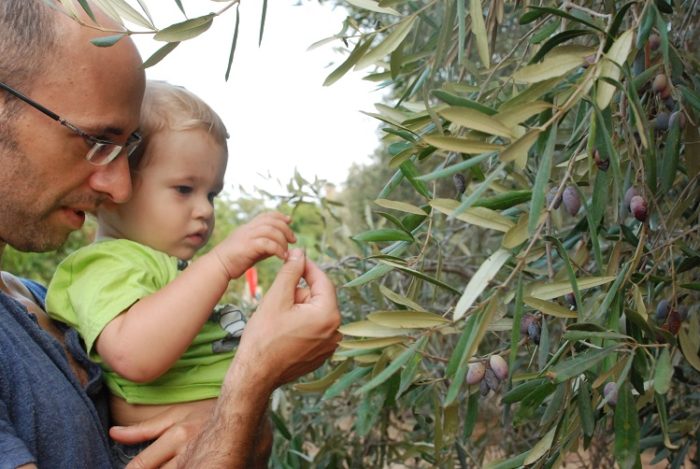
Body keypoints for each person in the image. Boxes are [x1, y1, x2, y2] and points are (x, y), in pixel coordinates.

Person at [0, 1, 341, 468]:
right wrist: (254, 378)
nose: (119, 188)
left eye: (127, 150)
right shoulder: (99, 276)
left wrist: (224, 423)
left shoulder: (40, 305)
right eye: (95, 140)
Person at [45, 80, 291, 462]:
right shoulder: (100, 265)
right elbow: (134, 354)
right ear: (115, 191)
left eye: (212, 194)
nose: (205, 210)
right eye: (183, 189)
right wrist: (221, 264)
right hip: (159, 452)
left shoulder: (169, 267)